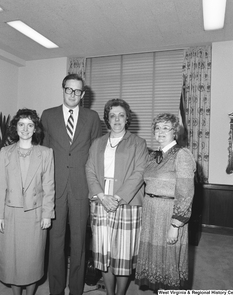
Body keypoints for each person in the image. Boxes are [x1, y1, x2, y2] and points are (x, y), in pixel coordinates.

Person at [41, 74, 102, 295]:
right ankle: (56, 290)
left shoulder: (93, 117)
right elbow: (44, 154)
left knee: (79, 242)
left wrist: (96, 189)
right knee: (55, 243)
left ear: (83, 94)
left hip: (80, 188)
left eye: (77, 91)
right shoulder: (47, 116)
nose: (73, 94)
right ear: (63, 89)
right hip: (54, 188)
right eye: (69, 90)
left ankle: (76, 289)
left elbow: (97, 154)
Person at [85, 99, 149, 295]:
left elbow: (139, 173)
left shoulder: (138, 143)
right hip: (101, 200)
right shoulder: (97, 143)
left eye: (121, 115)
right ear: (107, 119)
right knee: (104, 252)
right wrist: (102, 196)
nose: (117, 119)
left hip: (127, 202)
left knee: (122, 253)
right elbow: (89, 169)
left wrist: (118, 198)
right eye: (112, 115)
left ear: (127, 118)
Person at [0, 108, 55, 295]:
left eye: (30, 125)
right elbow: (0, 185)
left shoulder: (45, 153)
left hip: (35, 214)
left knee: (32, 260)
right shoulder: (5, 152)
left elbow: (49, 186)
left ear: (35, 128)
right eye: (21, 124)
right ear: (16, 127)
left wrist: (47, 214)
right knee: (12, 260)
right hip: (11, 214)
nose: (25, 129)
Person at [135, 113, 196, 290]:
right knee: (155, 262)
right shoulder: (152, 156)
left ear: (175, 132)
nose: (160, 131)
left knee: (169, 261)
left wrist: (175, 225)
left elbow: (186, 193)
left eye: (166, 128)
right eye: (157, 128)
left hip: (169, 214)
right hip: (151, 214)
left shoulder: (182, 154)